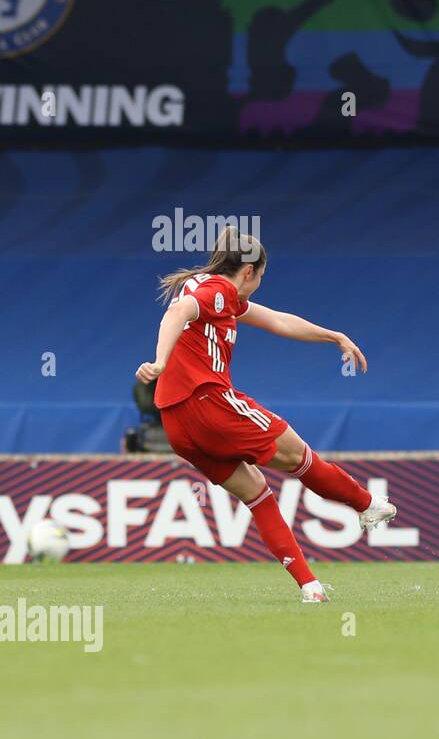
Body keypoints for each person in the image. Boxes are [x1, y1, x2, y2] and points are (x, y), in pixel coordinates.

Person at [136, 226, 397, 603]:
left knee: (258, 494)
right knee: (299, 456)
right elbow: (177, 313)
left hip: (178, 424)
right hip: (209, 404)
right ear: (248, 273)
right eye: (260, 276)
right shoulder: (219, 291)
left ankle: (310, 587)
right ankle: (366, 504)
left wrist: (333, 335)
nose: (259, 283)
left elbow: (278, 320)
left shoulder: (211, 290)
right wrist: (160, 361)